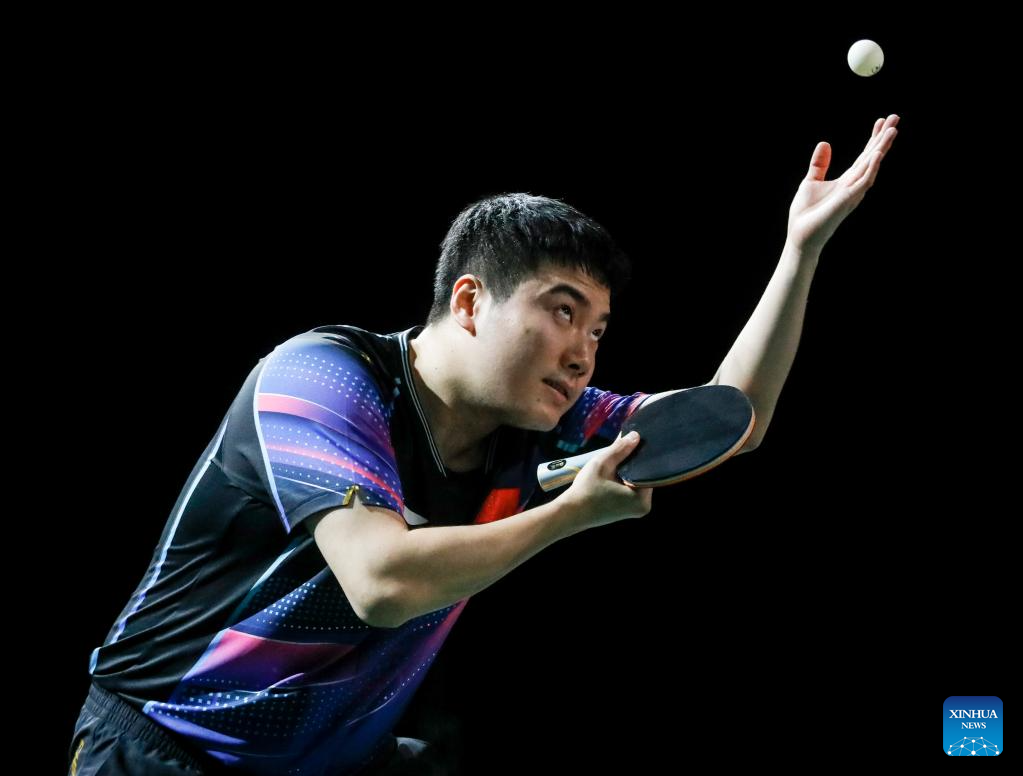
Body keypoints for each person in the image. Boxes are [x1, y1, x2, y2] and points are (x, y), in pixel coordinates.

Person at [68, 115, 899, 775]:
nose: (583, 353)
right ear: (469, 302)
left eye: (598, 329)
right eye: (563, 311)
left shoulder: (542, 423)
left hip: (332, 760)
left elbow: (727, 421)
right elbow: (382, 582)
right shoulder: (320, 377)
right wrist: (568, 516)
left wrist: (799, 252)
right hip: (163, 745)